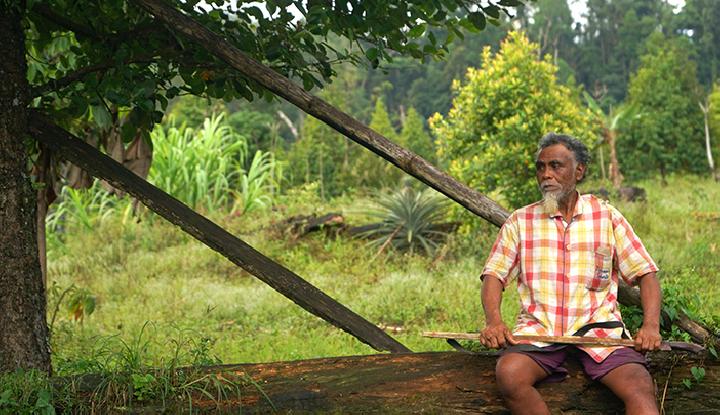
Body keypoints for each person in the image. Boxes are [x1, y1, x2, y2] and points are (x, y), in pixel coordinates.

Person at [480, 133, 662, 415]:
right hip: (539, 330)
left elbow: (646, 274)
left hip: (599, 332)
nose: (546, 175)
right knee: (510, 374)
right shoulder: (520, 221)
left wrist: (651, 326)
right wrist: (494, 321)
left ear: (579, 171)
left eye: (556, 166)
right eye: (540, 167)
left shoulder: (606, 216)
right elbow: (494, 275)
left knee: (639, 387)